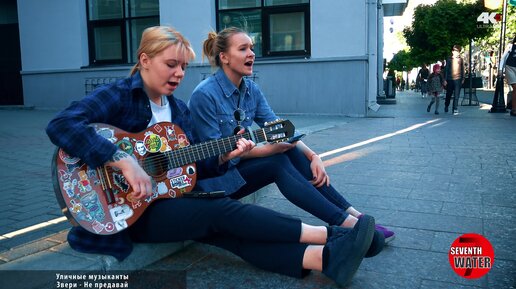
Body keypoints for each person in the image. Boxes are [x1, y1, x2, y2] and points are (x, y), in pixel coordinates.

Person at [46, 26, 378, 287]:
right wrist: (121, 158)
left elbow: (196, 167)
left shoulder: (178, 110)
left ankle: (327, 259)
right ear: (145, 60)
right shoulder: (119, 95)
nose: (178, 74)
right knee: (219, 211)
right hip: (125, 212)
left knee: (226, 233)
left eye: (183, 66)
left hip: (168, 200)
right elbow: (61, 125)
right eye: (170, 64)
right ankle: (333, 235)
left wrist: (225, 154)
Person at [188, 27, 395, 243]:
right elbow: (214, 156)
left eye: (251, 47)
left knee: (292, 151)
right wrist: (265, 150)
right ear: (224, 57)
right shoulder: (204, 95)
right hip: (215, 181)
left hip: (239, 167)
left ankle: (354, 215)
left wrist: (314, 156)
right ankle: (349, 225)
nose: (252, 53)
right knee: (276, 161)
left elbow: (281, 129)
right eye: (243, 49)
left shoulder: (251, 89)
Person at [444, 45, 465, 115]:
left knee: (457, 95)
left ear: (459, 52)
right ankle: (446, 105)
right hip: (450, 79)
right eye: (454, 51)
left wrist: (463, 78)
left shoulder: (461, 59)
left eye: (456, 51)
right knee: (449, 94)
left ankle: (455, 109)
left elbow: (462, 69)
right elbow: (446, 70)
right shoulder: (449, 59)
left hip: (458, 79)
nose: (455, 52)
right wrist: (445, 79)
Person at [500, 35, 516, 116]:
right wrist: (500, 69)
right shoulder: (510, 46)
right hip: (510, 67)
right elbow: (503, 58)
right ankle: (514, 109)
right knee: (515, 87)